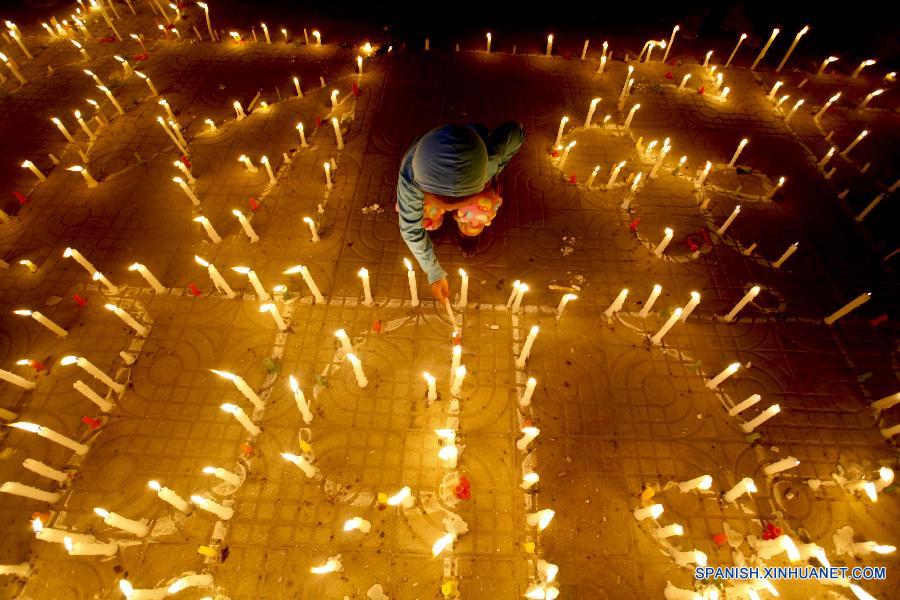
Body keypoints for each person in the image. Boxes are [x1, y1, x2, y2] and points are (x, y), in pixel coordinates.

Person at [396, 122, 525, 302]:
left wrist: (497, 171)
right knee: (425, 215)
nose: (453, 211)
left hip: (475, 163)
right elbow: (410, 229)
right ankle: (435, 227)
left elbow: (516, 131)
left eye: (459, 202)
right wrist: (433, 270)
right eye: (447, 205)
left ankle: (468, 236)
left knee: (481, 209)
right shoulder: (410, 180)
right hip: (441, 177)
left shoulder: (491, 159)